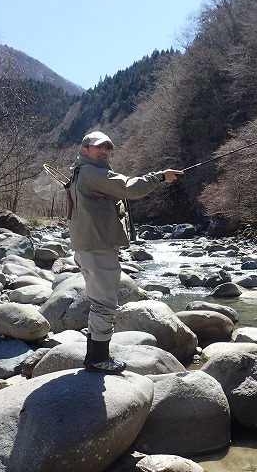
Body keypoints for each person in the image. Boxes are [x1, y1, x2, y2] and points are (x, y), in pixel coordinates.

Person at [68, 131, 183, 374]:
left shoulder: (81, 171)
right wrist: (161, 177)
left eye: (108, 148)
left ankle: (95, 356)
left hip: (89, 247)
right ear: (84, 149)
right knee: (104, 304)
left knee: (100, 302)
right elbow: (129, 187)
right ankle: (98, 359)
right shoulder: (91, 172)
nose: (105, 151)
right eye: (98, 147)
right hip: (97, 248)